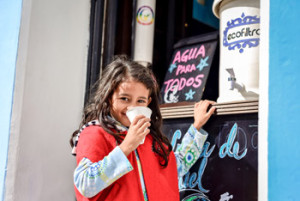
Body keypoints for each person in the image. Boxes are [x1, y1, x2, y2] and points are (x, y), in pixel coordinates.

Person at [70, 55, 216, 201]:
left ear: (148, 102)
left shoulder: (150, 137)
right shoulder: (95, 133)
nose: (132, 107)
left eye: (140, 100)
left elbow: (177, 167)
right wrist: (127, 146)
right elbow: (86, 185)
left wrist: (197, 127)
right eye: (124, 98)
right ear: (109, 97)